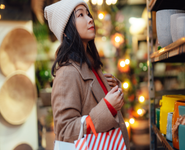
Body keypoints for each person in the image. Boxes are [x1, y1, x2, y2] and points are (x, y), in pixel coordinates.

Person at [44, 0, 130, 149]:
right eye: (81, 15)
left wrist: (110, 88)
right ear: (66, 29)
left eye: (88, 14)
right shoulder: (67, 73)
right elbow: (64, 131)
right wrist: (107, 107)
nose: (90, 19)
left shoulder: (91, 66)